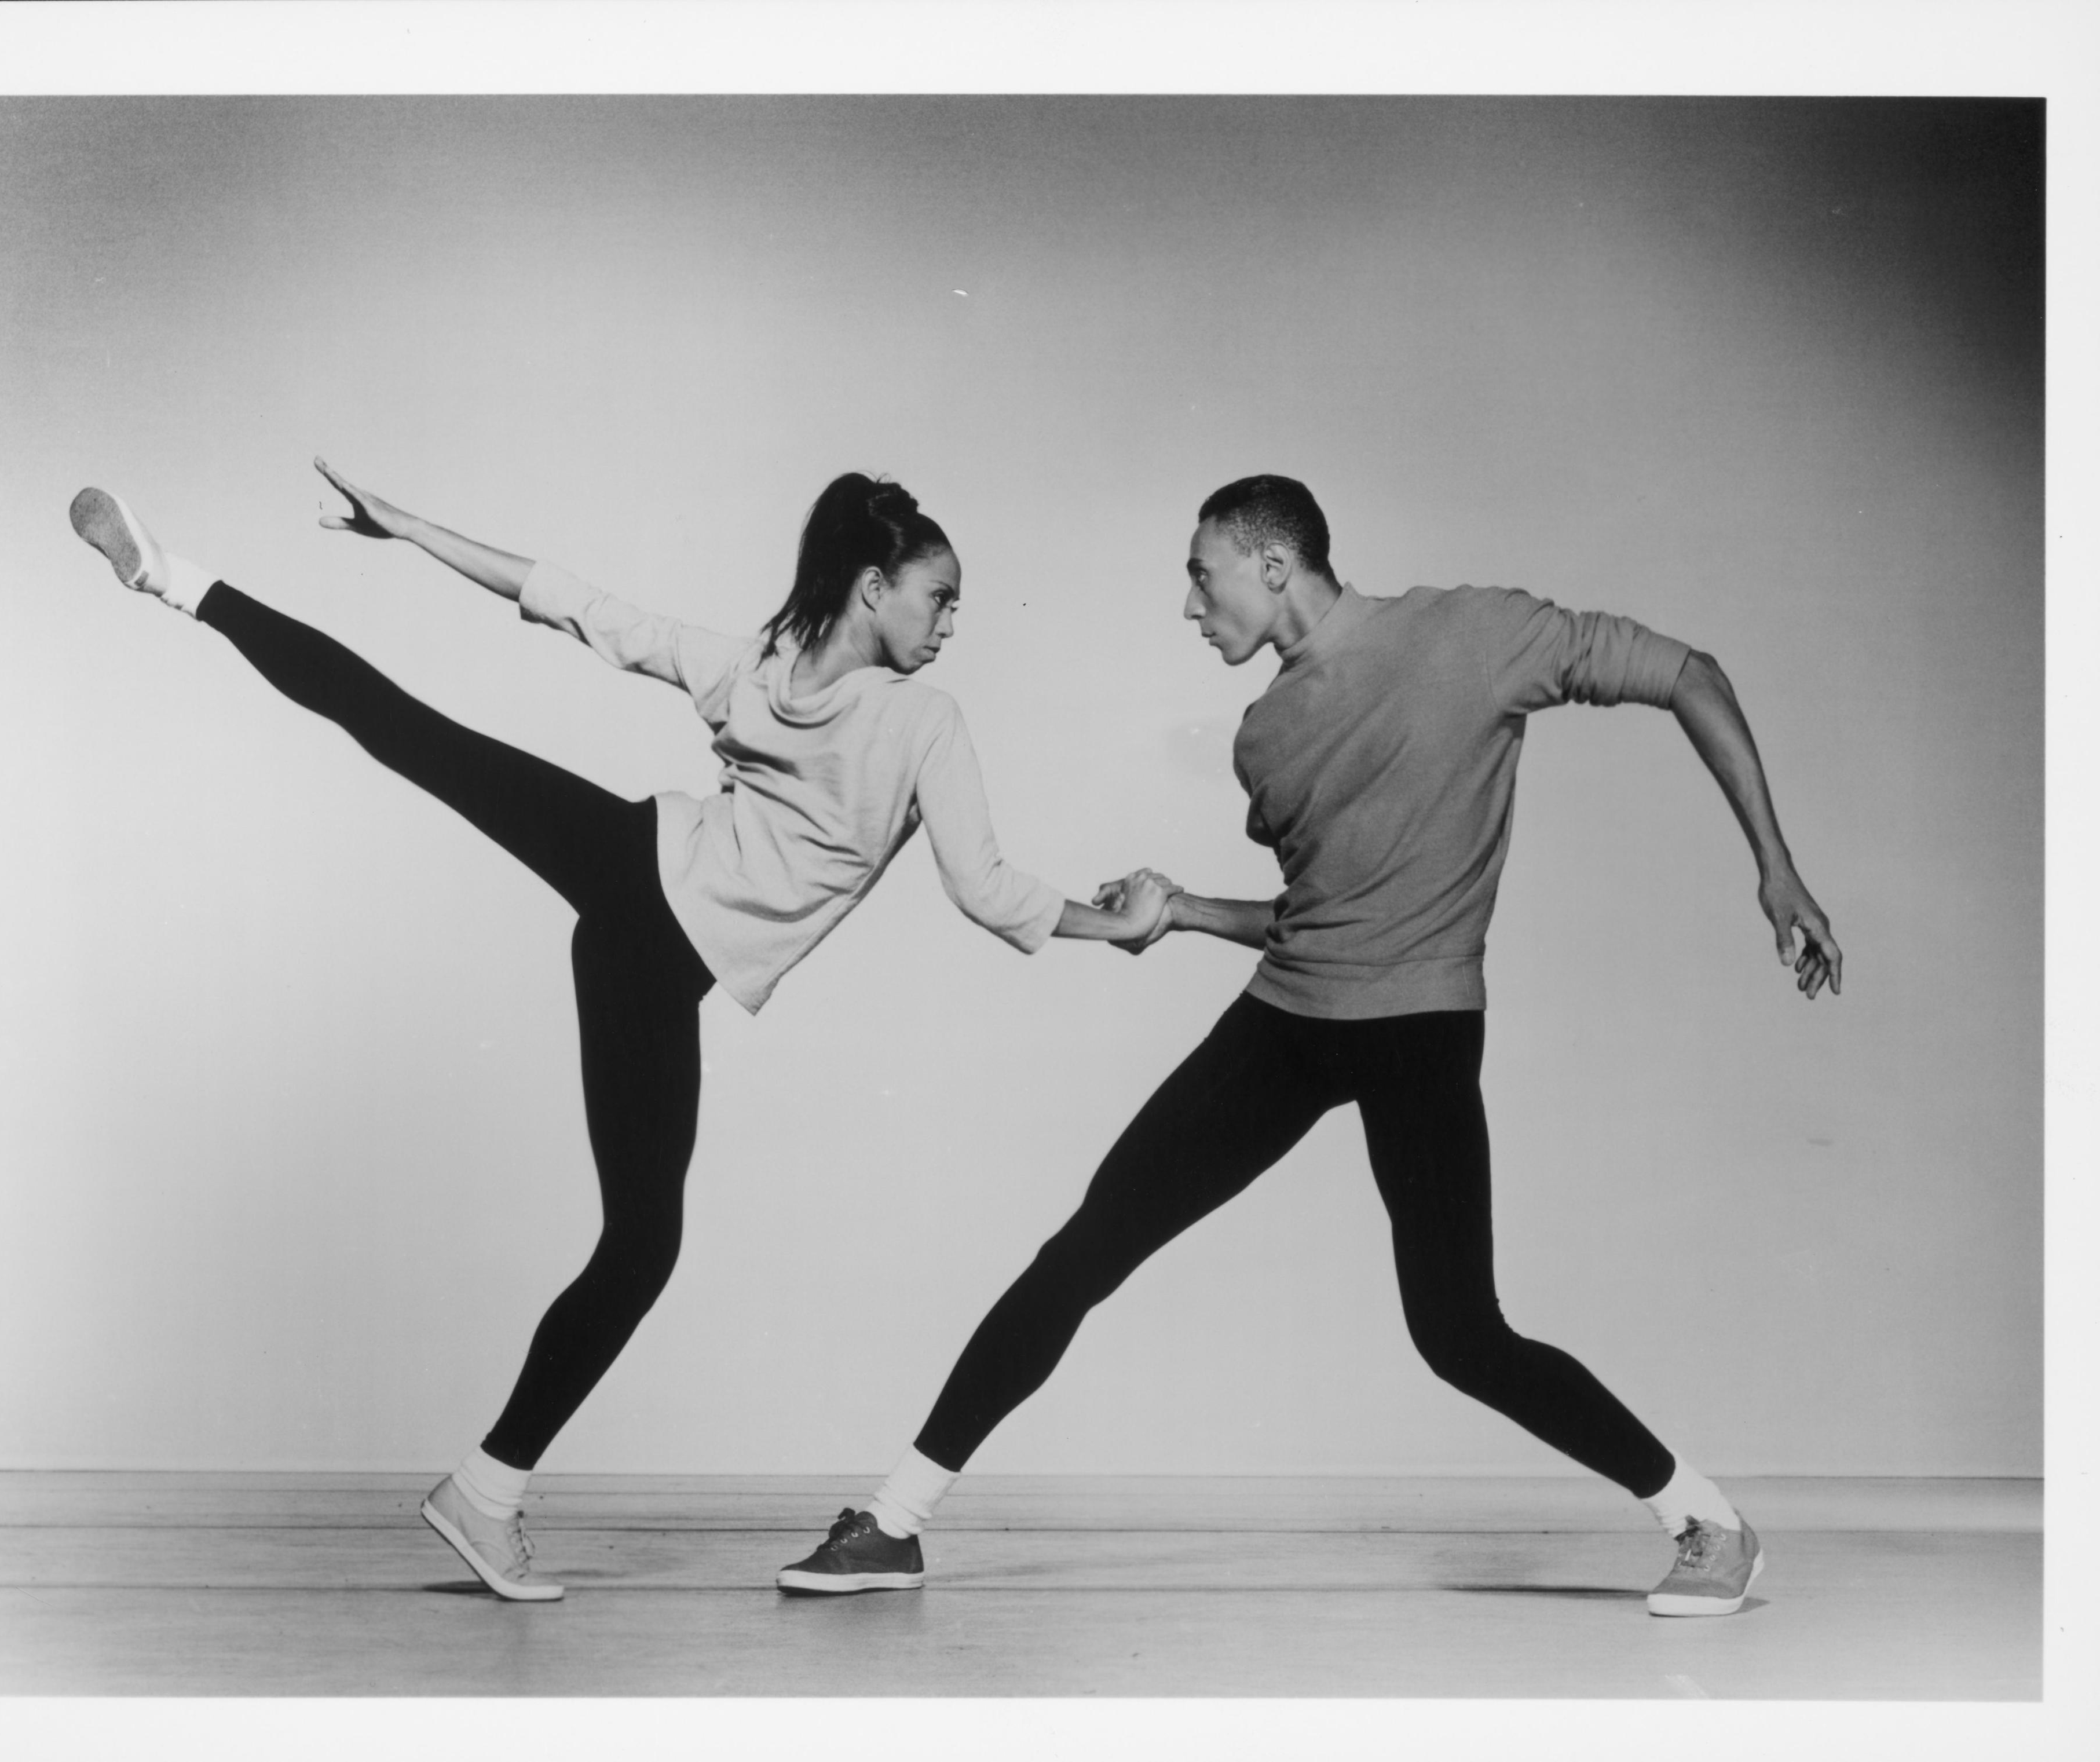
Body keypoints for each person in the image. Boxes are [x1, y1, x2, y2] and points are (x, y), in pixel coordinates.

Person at [67, 465, 1173, 1602]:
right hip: (654, 956)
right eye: (939, 599)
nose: (950, 625)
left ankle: (174, 579)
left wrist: (409, 529)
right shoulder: (923, 720)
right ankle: (484, 1493)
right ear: (876, 586)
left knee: (405, 730)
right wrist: (1117, 926)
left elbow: (575, 603)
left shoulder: (758, 668)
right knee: (641, 1250)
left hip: (621, 874)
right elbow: (985, 889)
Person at [779, 474, 1842, 1618]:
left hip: (1419, 1028)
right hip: (1290, 1020)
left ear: (1271, 564)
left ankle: (1710, 1526)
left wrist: (1774, 868)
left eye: (1202, 575)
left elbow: (1690, 675)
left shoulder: (1475, 634)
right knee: (1088, 1247)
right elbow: (1319, 910)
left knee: (1460, 1335)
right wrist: (1183, 909)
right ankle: (894, 1523)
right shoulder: (1266, 738)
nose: (1191, 607)